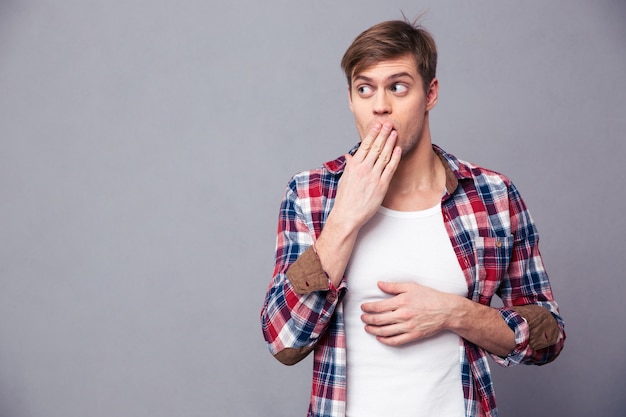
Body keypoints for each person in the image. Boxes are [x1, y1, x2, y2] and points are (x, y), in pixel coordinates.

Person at [260, 18, 565, 417]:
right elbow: (283, 341)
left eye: (397, 87)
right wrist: (346, 217)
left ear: (430, 93)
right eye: (364, 88)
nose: (380, 105)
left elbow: (549, 336)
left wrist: (455, 313)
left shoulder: (493, 195)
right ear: (351, 99)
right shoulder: (311, 193)